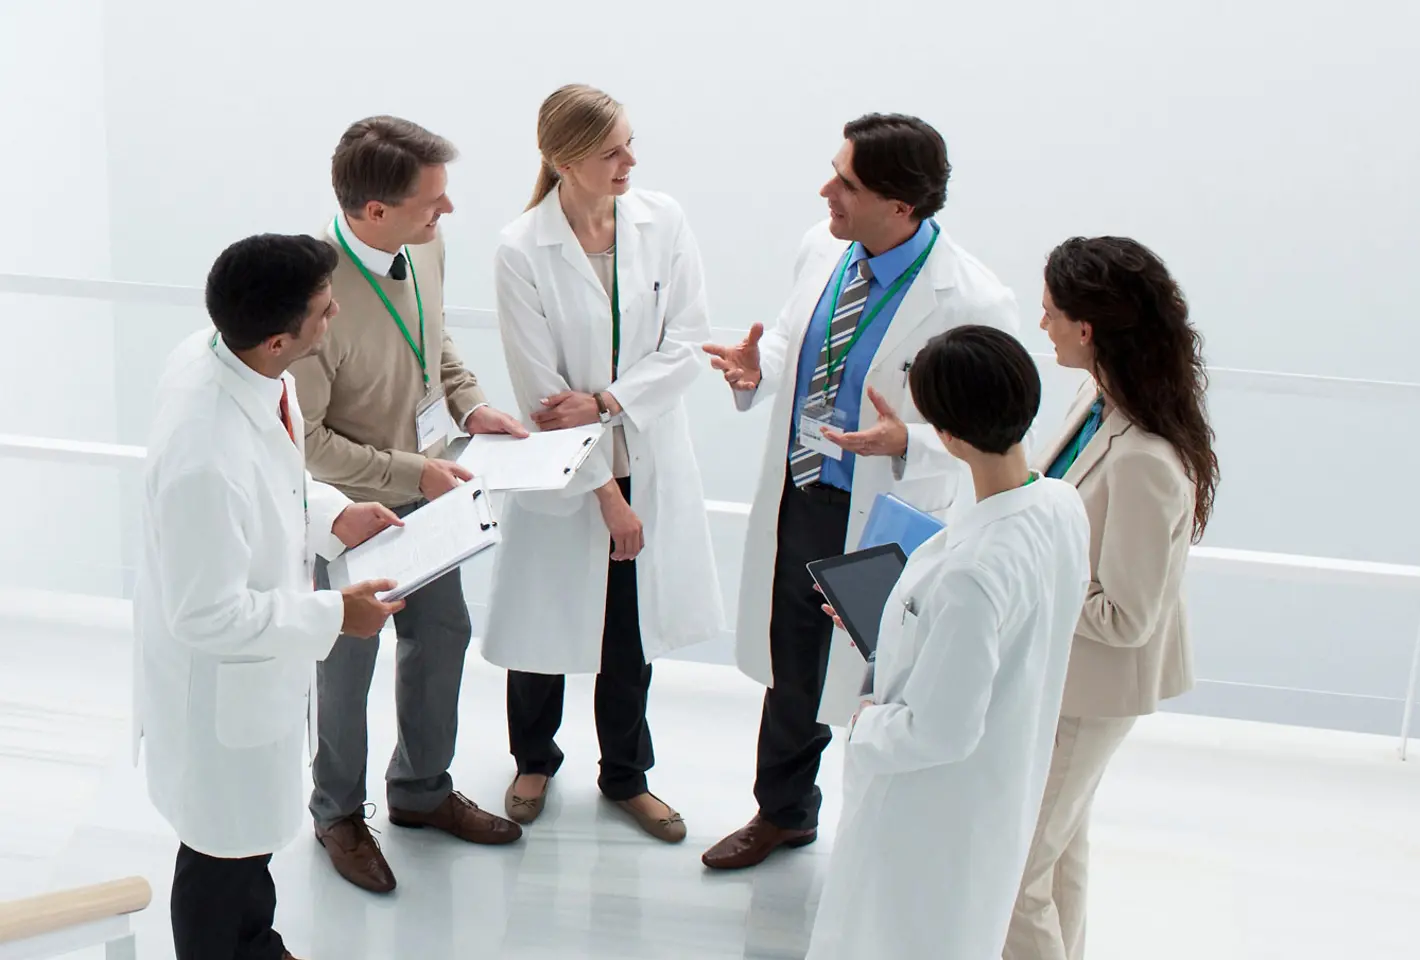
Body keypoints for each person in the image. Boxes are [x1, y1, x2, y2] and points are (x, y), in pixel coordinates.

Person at [701, 113, 1022, 870]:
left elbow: (998, 433)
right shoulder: (823, 248)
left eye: (845, 183)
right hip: (804, 493)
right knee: (795, 664)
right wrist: (759, 368)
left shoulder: (973, 300)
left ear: (900, 205)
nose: (826, 192)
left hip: (886, 518)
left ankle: (888, 838)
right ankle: (783, 813)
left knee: (886, 683)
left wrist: (909, 440)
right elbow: (796, 338)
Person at [132, 234, 409, 960]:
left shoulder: (245, 365)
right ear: (280, 339)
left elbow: (278, 481)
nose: (336, 314)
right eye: (324, 309)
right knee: (220, 854)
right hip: (220, 692)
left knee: (249, 844)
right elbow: (205, 613)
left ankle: (257, 945)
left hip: (258, 676)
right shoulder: (204, 454)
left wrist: (333, 515)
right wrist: (337, 615)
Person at [290, 116, 527, 895]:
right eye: (432, 200)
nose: (447, 211)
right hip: (352, 516)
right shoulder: (311, 297)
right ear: (375, 210)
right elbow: (306, 442)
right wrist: (411, 471)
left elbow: (434, 338)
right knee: (345, 667)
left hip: (429, 492)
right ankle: (337, 814)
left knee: (443, 632)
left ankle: (422, 792)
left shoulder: (423, 245)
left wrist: (471, 403)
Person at [482, 84, 724, 842]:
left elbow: (688, 343)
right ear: (564, 161)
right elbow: (543, 396)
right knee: (543, 626)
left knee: (628, 633)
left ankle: (626, 776)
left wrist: (611, 400)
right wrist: (607, 496)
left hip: (646, 454)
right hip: (567, 472)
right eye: (612, 150)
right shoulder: (522, 248)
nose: (631, 161)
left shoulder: (662, 220)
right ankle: (533, 761)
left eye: (629, 143)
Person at [803, 324, 1090, 960]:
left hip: (930, 815)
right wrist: (898, 630)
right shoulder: (1061, 505)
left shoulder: (971, 571)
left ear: (949, 436)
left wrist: (866, 720)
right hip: (991, 795)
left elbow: (940, 732)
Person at [1003, 237, 1218, 960]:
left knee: (1017, 876)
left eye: (1050, 312)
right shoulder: (1096, 399)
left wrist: (1027, 579)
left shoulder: (1145, 459)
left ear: (1087, 328)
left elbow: (1126, 618)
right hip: (1063, 677)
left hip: (1090, 690)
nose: (1042, 324)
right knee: (1060, 855)